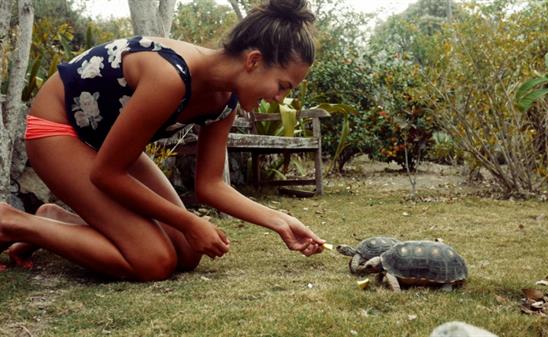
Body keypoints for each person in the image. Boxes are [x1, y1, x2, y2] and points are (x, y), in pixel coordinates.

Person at [0, 0, 325, 281]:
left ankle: (52, 219)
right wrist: (189, 220)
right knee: (154, 260)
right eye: (282, 86)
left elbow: (210, 185)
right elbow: (106, 174)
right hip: (58, 127)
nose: (279, 98)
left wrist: (283, 222)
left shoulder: (225, 102)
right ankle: (14, 221)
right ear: (253, 61)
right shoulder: (171, 76)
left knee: (186, 251)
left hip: (105, 142)